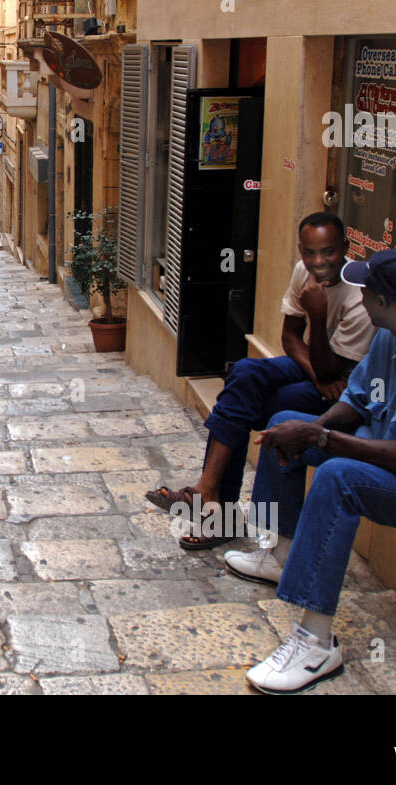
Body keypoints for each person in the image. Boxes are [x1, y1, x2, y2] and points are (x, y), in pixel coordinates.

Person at [228, 248, 396, 693]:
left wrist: (320, 439)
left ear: (389, 302)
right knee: (283, 426)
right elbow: (356, 401)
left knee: (339, 478)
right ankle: (282, 554)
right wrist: (311, 429)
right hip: (393, 455)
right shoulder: (394, 333)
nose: (359, 295)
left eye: (367, 290)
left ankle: (316, 644)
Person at [147, 213, 375, 548]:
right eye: (309, 253)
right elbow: (291, 338)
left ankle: (213, 504)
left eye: (328, 252)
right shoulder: (304, 272)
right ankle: (210, 493)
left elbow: (332, 374)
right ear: (301, 251)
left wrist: (318, 313)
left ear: (346, 248)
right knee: (243, 373)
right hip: (315, 365)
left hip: (346, 386)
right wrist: (314, 371)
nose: (318, 262)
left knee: (239, 407)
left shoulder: (359, 297)